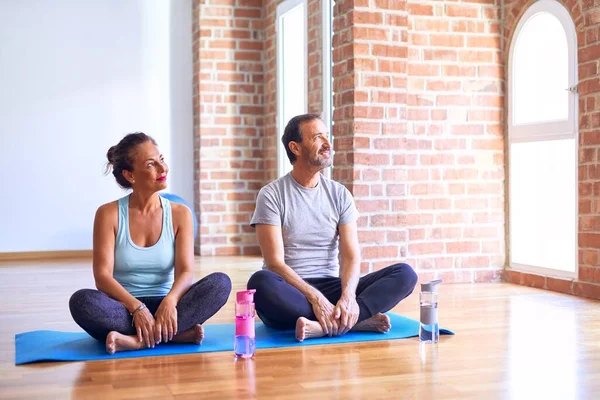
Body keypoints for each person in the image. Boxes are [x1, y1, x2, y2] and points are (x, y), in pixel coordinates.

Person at [247, 114, 418, 342]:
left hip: (332, 287)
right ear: (295, 148)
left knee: (405, 274)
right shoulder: (271, 195)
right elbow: (275, 263)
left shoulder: (339, 194)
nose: (328, 144)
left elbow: (350, 255)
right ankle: (354, 322)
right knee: (260, 283)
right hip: (292, 290)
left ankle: (326, 324)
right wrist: (316, 299)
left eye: (327, 136)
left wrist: (348, 297)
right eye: (318, 137)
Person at [69, 132, 231, 354]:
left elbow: (185, 272)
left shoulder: (180, 214)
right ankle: (172, 336)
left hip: (168, 306)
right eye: (151, 164)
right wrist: (137, 308)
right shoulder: (108, 214)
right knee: (81, 301)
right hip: (124, 308)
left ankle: (135, 341)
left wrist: (171, 302)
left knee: (220, 283)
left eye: (161, 159)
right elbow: (103, 278)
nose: (163, 168)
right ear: (130, 175)